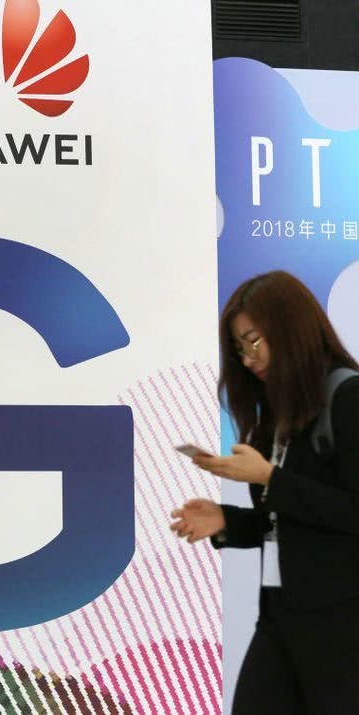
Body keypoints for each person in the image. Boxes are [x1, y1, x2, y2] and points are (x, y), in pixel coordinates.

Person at [170, 270, 359, 714]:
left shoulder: (348, 396)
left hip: (343, 623)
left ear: (291, 328)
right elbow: (288, 521)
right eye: (239, 349)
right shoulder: (277, 414)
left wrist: (271, 479)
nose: (248, 359)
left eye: (254, 341)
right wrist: (227, 521)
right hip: (279, 613)